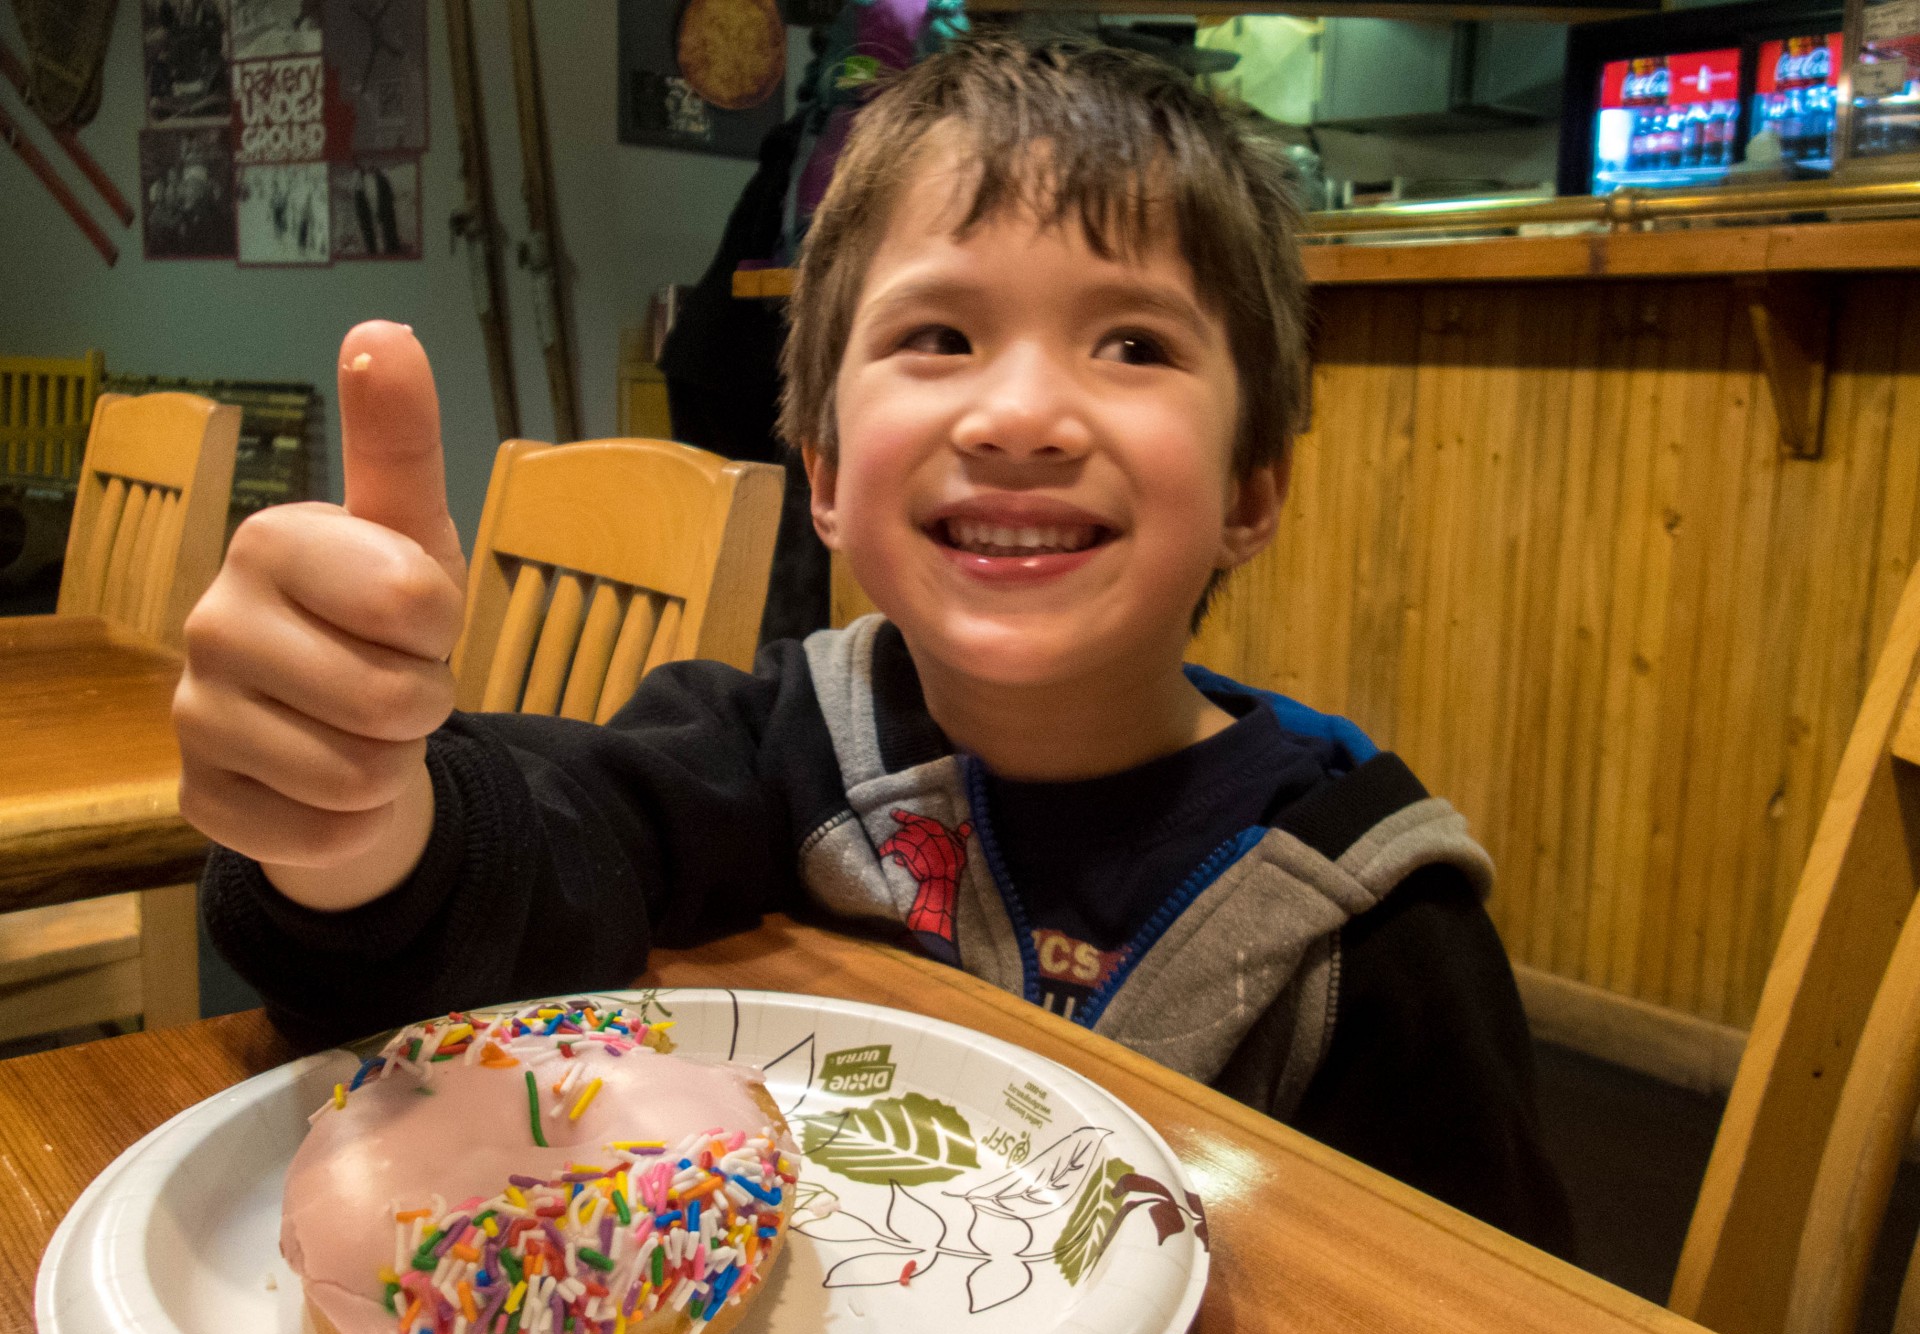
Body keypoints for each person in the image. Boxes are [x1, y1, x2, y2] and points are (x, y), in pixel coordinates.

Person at [176, 39, 1574, 1255]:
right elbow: (541, 874)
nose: (1022, 414)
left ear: (1252, 491)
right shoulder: (782, 746)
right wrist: (363, 825)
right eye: (941, 334)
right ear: (826, 474)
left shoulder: (1370, 924)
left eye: (1135, 345)